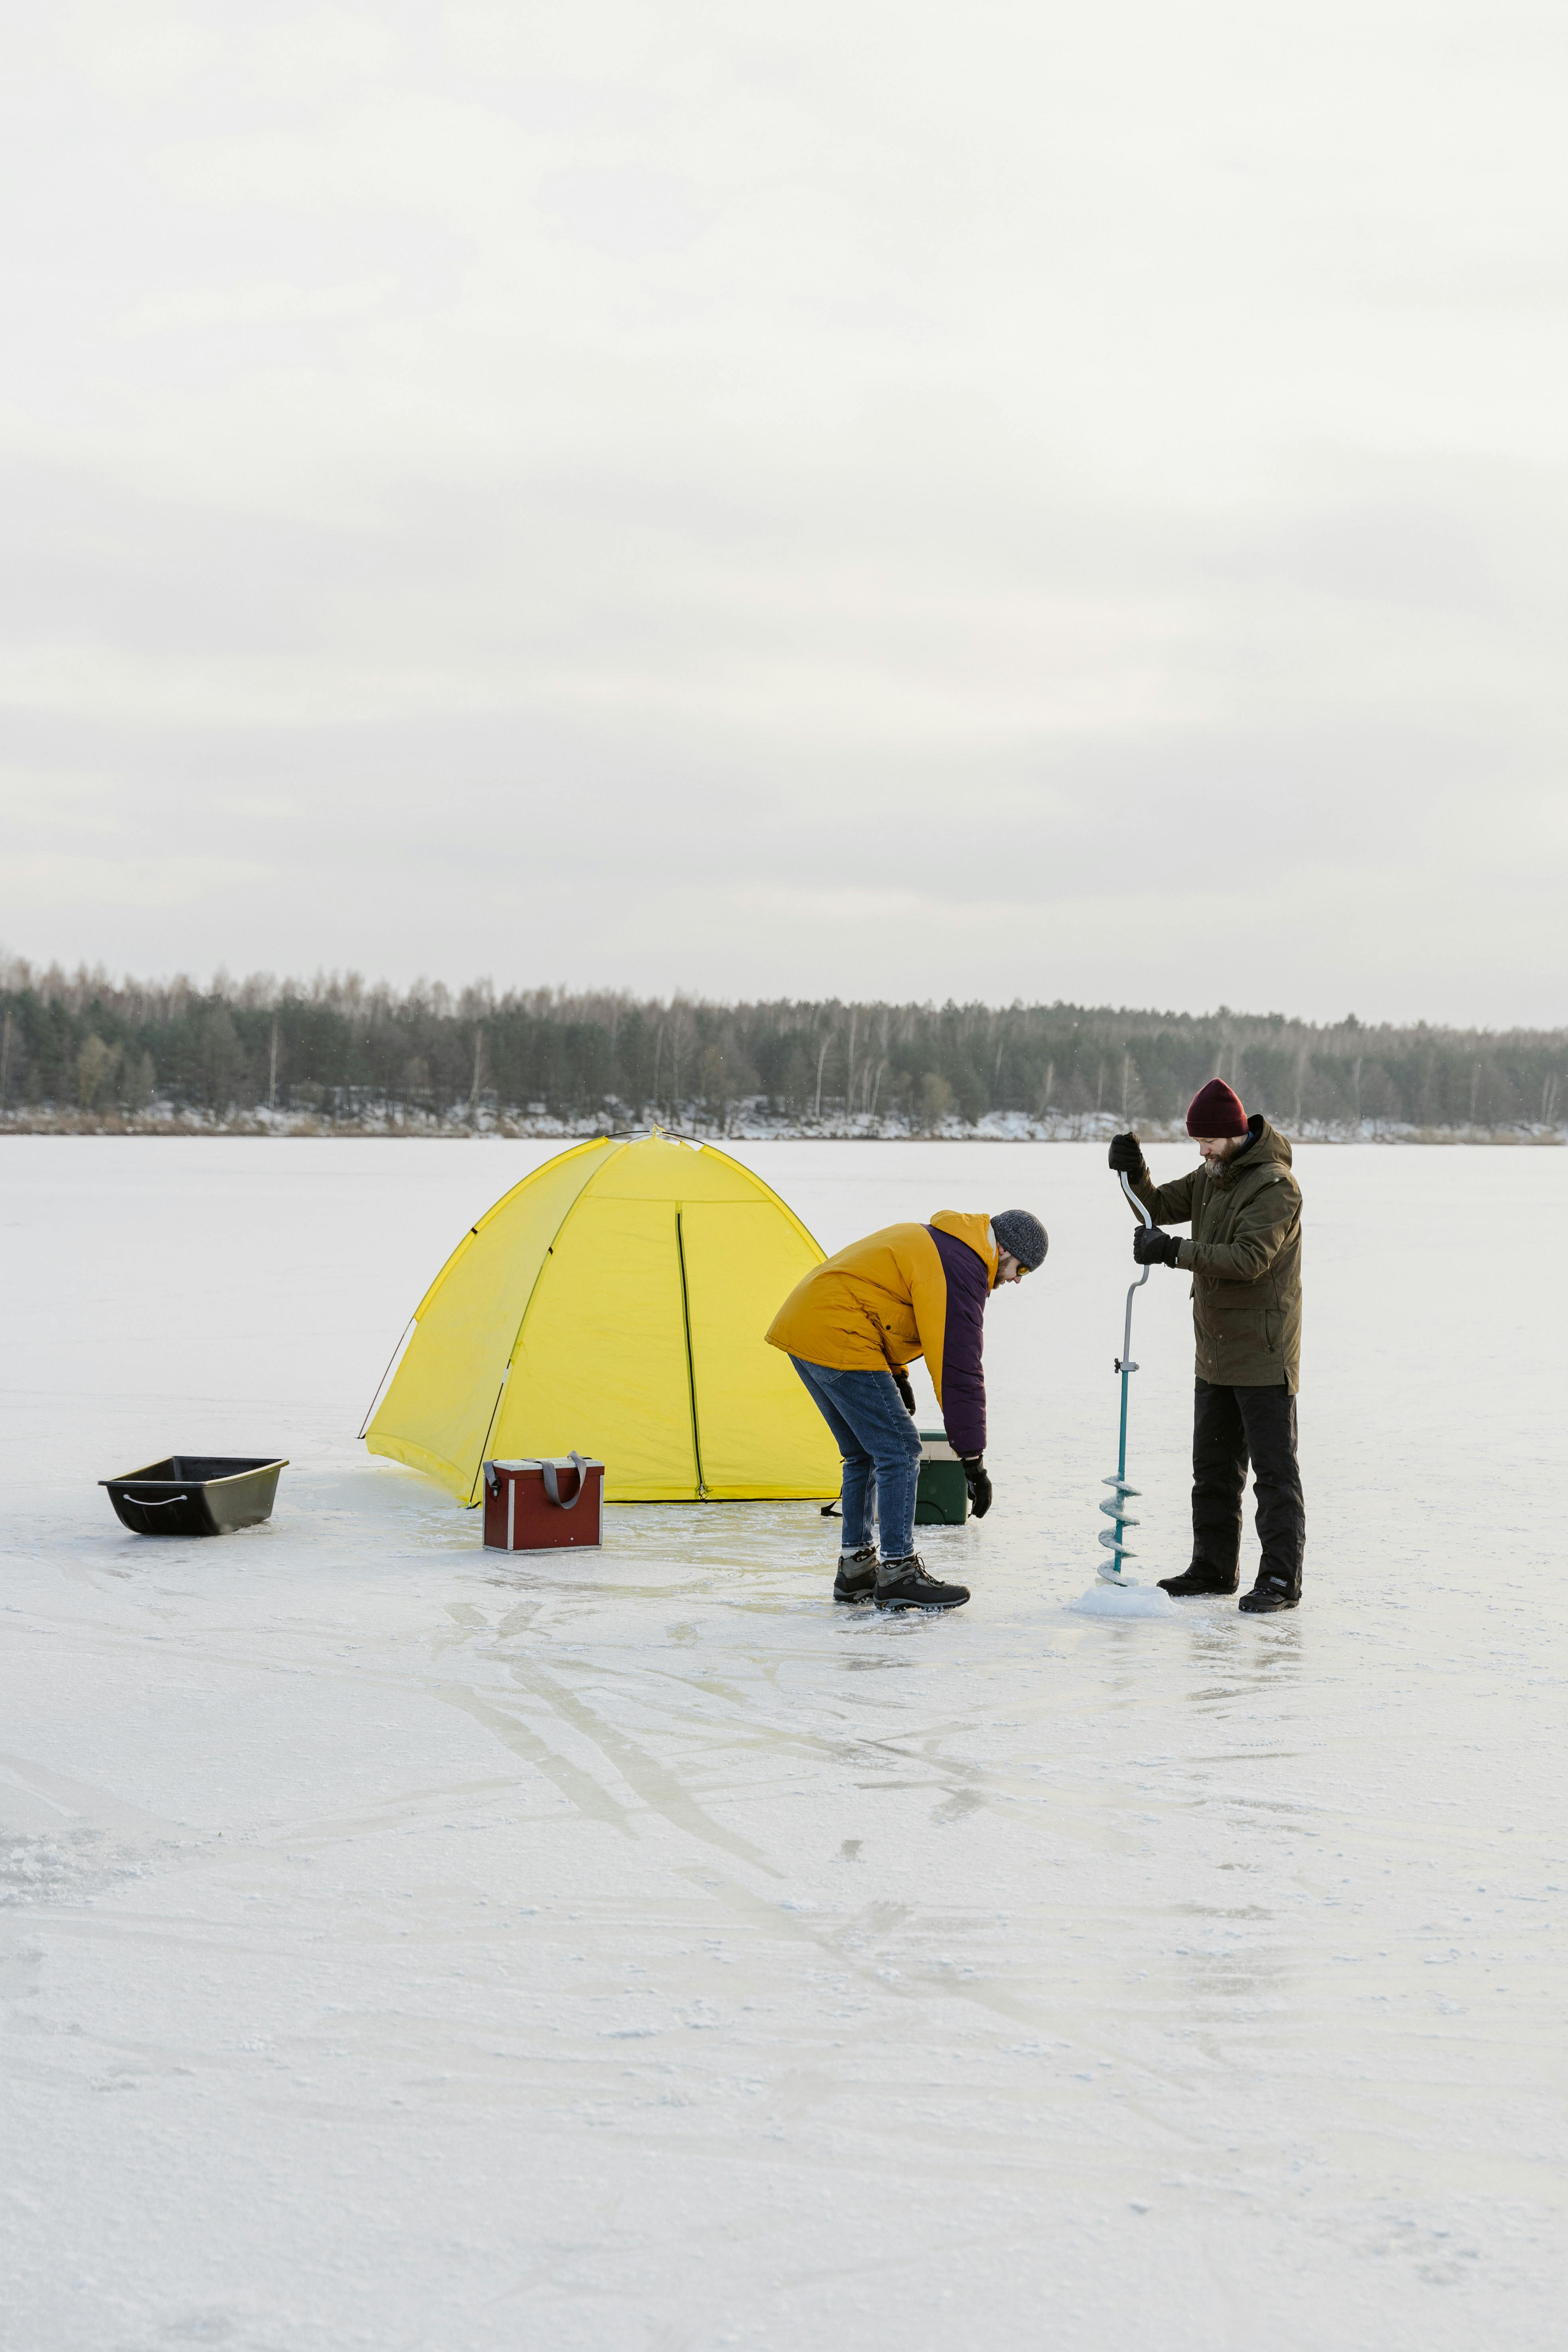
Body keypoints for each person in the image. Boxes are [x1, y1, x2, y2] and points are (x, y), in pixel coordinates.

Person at [765, 1208, 1048, 1613]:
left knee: (863, 1452)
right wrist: (972, 1460)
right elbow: (958, 1368)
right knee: (900, 1451)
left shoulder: (944, 1243)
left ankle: (856, 1570)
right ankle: (898, 1571)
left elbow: (880, 1299)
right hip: (837, 1331)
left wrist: (896, 1373)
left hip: (807, 1323)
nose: (1018, 1279)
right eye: (1021, 1268)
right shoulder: (961, 1266)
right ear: (1003, 1249)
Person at [1109, 1078, 1304, 1613]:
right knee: (1212, 1470)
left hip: (1263, 1352)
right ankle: (1213, 1568)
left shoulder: (1275, 1186)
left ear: (1236, 1134)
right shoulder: (1210, 1177)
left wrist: (1172, 1251)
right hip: (1214, 1349)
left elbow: (1249, 1259)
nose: (1202, 1151)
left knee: (1274, 1475)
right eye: (1197, 1141)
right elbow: (1155, 1206)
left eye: (1209, 1141)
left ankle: (1280, 1579)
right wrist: (1132, 1172)